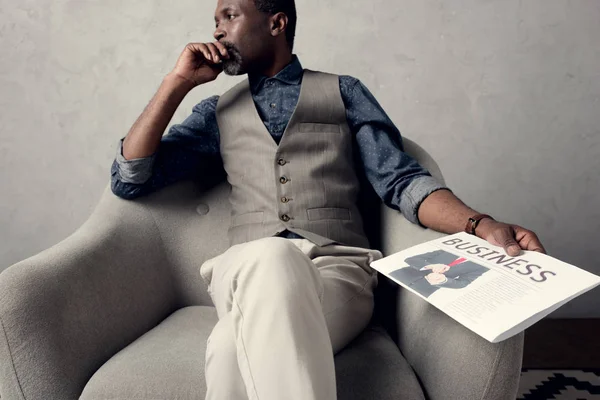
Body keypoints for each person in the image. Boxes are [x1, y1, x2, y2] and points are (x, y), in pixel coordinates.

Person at [110, 0, 546, 398]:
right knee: (272, 258)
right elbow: (131, 177)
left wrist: (479, 224)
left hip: (340, 273)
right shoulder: (215, 112)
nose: (218, 31)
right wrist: (177, 83)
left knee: (228, 348)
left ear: (277, 22)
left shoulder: (345, 92)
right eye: (215, 22)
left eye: (230, 16)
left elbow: (401, 181)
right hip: (242, 272)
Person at [389, 250, 489, 298]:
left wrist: (444, 280)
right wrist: (431, 266)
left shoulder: (482, 266)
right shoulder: (449, 249)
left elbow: (463, 283)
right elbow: (411, 259)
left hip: (422, 291)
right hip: (398, 276)